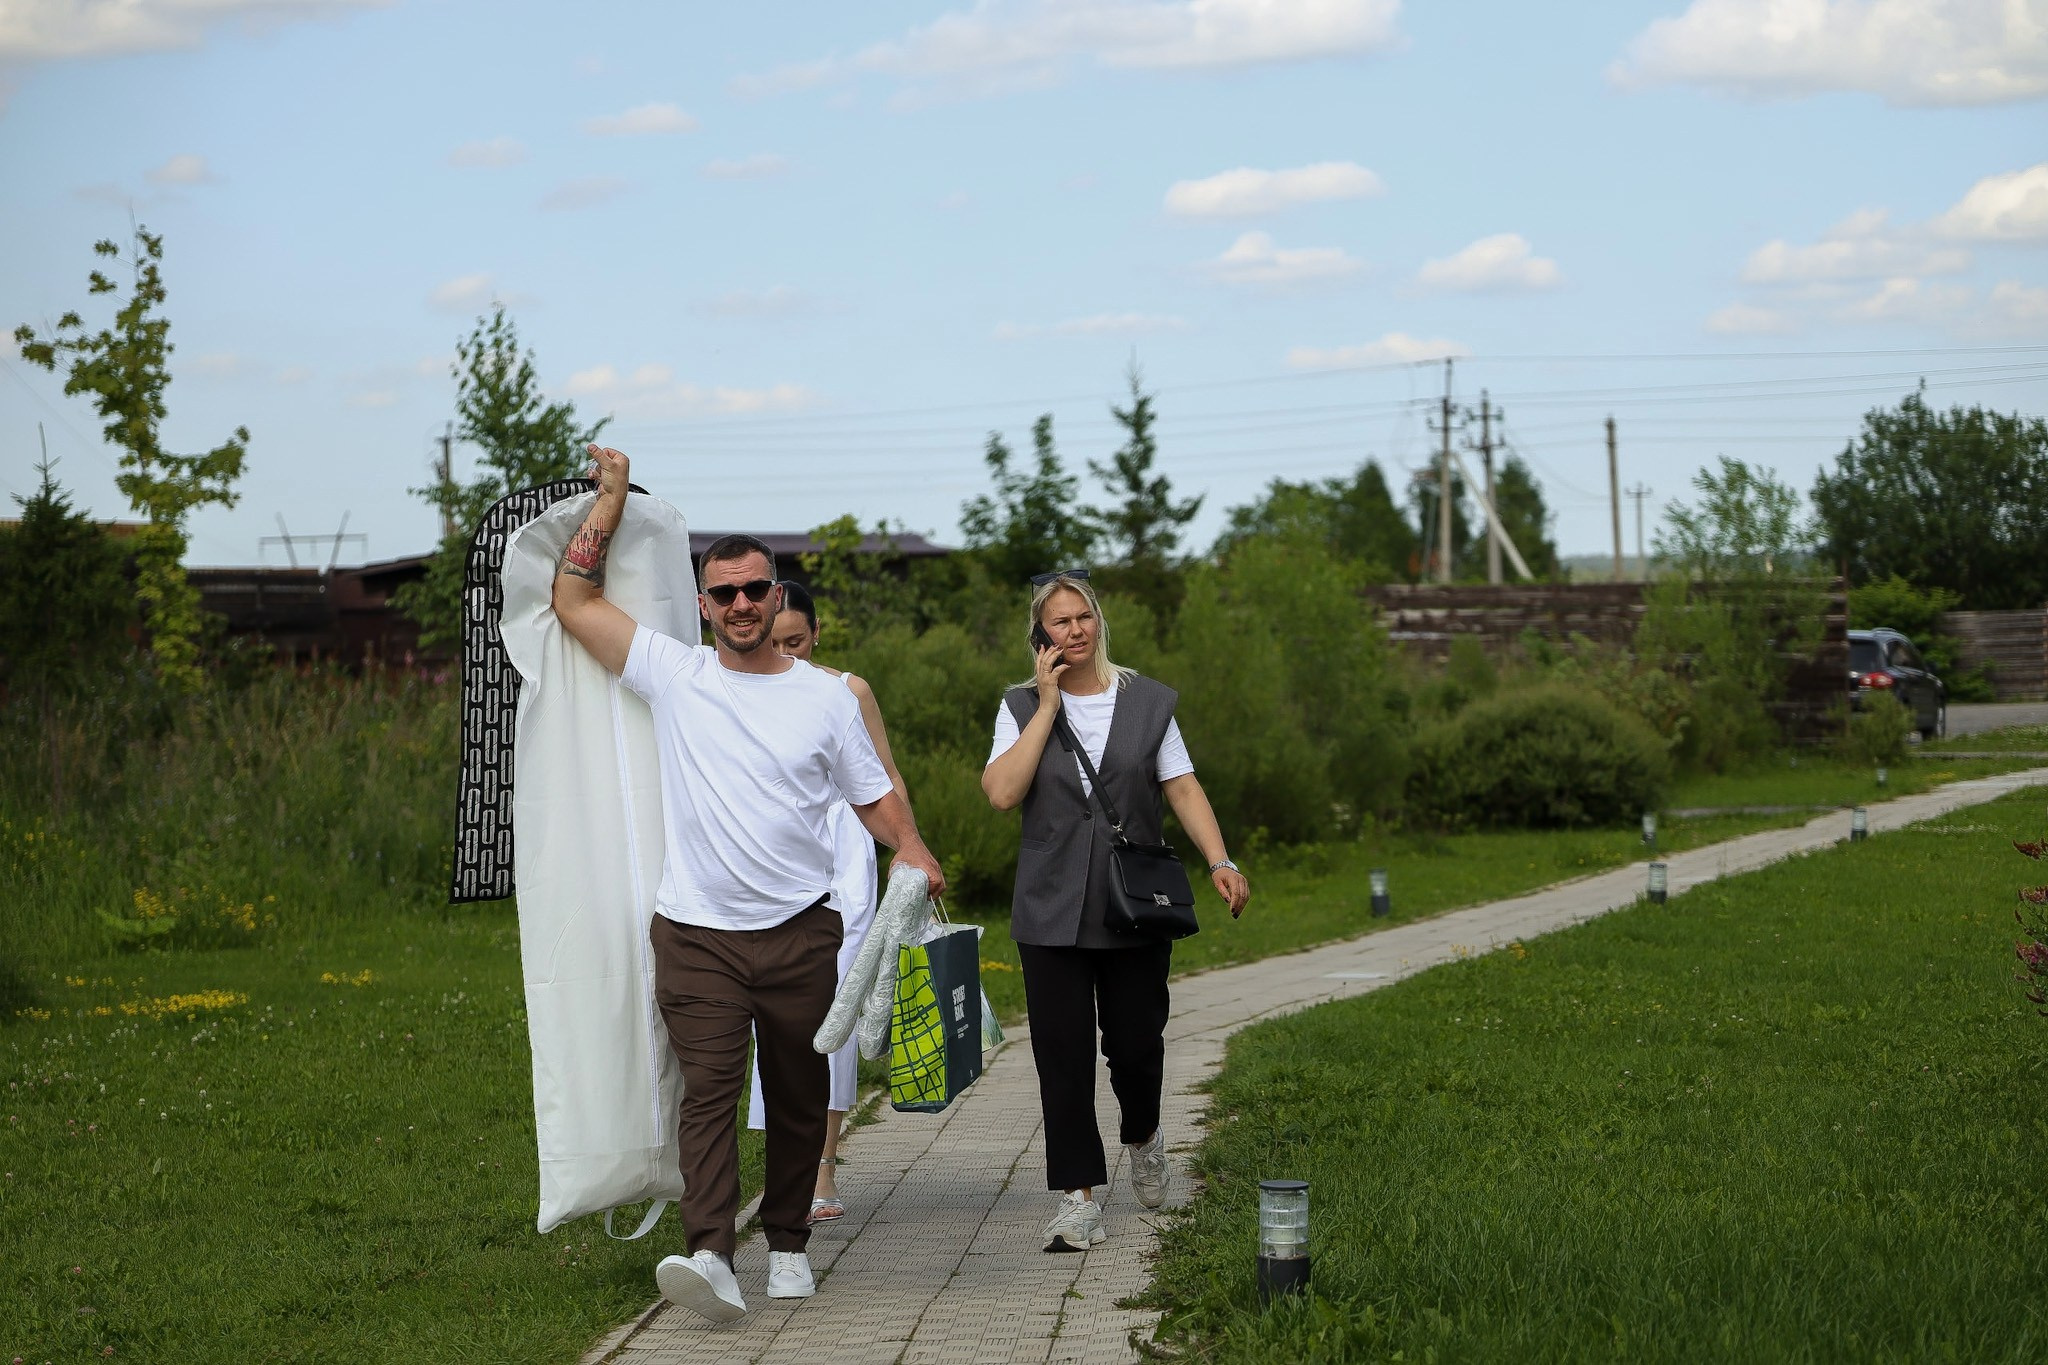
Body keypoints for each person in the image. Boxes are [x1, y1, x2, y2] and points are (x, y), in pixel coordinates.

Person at [551, 445, 945, 1323]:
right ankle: (711, 1255)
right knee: (711, 1094)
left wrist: (912, 849)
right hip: (694, 934)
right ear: (703, 604)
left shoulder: (825, 697)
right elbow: (572, 599)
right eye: (722, 593)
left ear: (778, 598)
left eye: (753, 590)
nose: (738, 605)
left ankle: (792, 1243)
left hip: (803, 932)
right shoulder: (676, 673)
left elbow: (872, 793)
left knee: (803, 1098)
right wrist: (610, 501)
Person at [980, 570, 1250, 1253]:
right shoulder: (1017, 706)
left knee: (1135, 1043)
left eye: (1082, 618)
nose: (1073, 630)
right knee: (1061, 1056)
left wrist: (1220, 859)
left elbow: (1181, 786)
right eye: (1058, 622)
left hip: (1134, 906)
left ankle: (1144, 1132)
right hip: (1049, 911)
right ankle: (1078, 1197)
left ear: (1098, 622)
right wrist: (1045, 707)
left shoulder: (1146, 702)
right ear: (1038, 637)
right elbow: (1002, 793)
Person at [745, 579, 911, 1223]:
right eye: (777, 641)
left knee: (838, 992)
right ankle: (782, 1160)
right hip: (780, 847)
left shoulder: (848, 690)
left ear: (817, 635)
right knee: (772, 998)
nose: (789, 652)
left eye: (797, 640)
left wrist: (909, 847)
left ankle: (824, 1166)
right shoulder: (748, 687)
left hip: (847, 841)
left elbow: (886, 773)